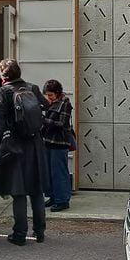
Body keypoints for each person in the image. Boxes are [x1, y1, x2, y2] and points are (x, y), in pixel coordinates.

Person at [0, 59, 50, 246]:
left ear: (2, 77)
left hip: (15, 145)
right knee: (36, 191)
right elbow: (46, 108)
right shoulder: (32, 88)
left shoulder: (2, 93)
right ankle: (40, 232)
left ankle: (20, 234)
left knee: (19, 192)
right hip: (35, 143)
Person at [42, 79, 73, 212]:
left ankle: (62, 200)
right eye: (47, 95)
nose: (49, 97)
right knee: (49, 172)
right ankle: (54, 196)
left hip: (59, 143)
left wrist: (44, 120)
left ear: (57, 93)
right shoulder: (51, 103)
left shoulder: (65, 104)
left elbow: (62, 124)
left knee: (59, 172)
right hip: (49, 141)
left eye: (51, 95)